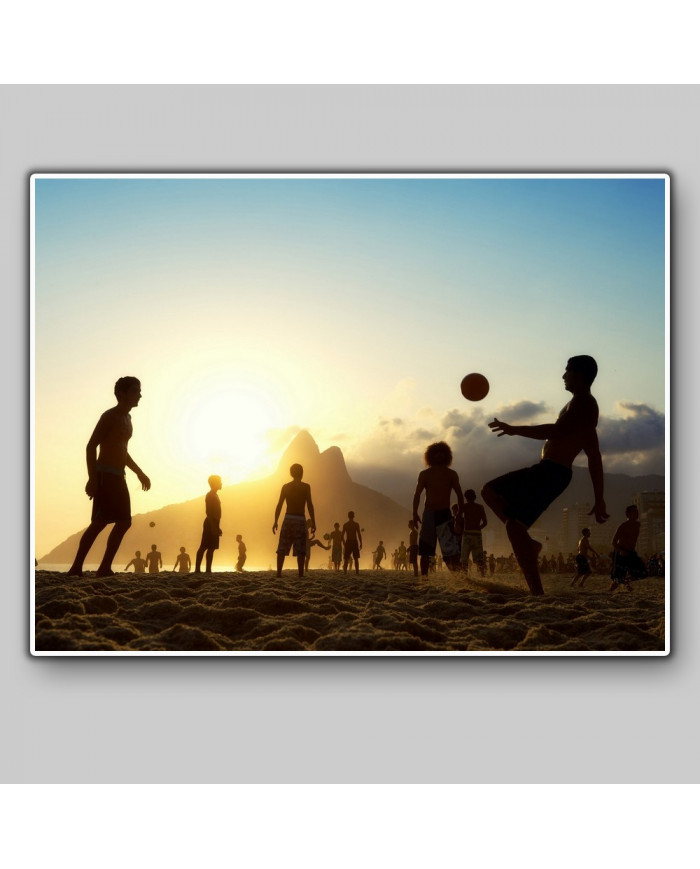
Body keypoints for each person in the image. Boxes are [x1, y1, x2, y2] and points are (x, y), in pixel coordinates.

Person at [481, 355, 609, 596]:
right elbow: (593, 453)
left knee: (494, 498)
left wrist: (513, 429)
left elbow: (558, 432)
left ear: (579, 374)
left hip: (553, 472)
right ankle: (529, 555)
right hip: (550, 471)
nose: (563, 376)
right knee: (499, 506)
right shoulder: (580, 405)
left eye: (567, 371)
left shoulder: (584, 404)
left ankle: (535, 585)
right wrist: (599, 497)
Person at [67, 376, 151, 577]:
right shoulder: (109, 416)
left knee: (124, 522)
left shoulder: (128, 419)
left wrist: (139, 472)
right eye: (135, 390)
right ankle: (75, 567)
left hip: (119, 476)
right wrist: (93, 479)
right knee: (100, 522)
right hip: (104, 475)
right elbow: (91, 446)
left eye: (139, 390)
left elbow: (123, 450)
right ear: (121, 394)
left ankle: (104, 567)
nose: (139, 394)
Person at [412, 441, 464, 576]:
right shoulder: (424, 474)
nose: (439, 456)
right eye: (437, 453)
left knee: (450, 550)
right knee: (425, 551)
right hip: (428, 514)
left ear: (447, 456)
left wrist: (459, 514)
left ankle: (458, 578)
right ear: (431, 456)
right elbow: (417, 494)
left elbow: (459, 494)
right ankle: (424, 579)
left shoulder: (451, 474)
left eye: (442, 453)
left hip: (444, 514)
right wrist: (414, 513)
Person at [273, 463, 316, 578]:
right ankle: (301, 574)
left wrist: (275, 521)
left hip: (288, 519)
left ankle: (278, 573)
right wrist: (313, 522)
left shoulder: (286, 487)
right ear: (302, 473)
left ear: (291, 473)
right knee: (301, 549)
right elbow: (310, 505)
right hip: (300, 519)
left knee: (282, 548)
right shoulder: (306, 487)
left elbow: (279, 505)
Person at [609, 505, 648, 591]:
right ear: (628, 514)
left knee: (642, 572)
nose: (636, 513)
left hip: (631, 552)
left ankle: (625, 582)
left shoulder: (637, 524)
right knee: (617, 577)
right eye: (634, 512)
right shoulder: (623, 526)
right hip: (620, 552)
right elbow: (613, 542)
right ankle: (614, 589)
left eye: (636, 512)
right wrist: (620, 551)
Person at [195, 475, 223, 574]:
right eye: (219, 481)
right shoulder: (210, 495)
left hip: (215, 523)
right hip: (210, 523)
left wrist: (217, 527)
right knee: (204, 546)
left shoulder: (215, 495)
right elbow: (208, 512)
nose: (221, 483)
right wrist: (212, 526)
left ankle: (208, 570)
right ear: (214, 483)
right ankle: (197, 569)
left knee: (211, 548)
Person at [460, 489, 488, 576]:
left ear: (466, 497)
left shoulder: (464, 506)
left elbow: (458, 517)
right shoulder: (480, 507)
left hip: (467, 533)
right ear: (474, 496)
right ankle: (482, 576)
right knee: (479, 559)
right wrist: (478, 527)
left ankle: (465, 577)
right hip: (477, 534)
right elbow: (485, 522)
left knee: (464, 559)